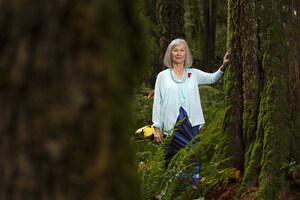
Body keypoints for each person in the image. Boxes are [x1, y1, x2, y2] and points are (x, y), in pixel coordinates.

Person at [152, 38, 229, 167]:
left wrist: (223, 66)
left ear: (186, 54)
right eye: (175, 50)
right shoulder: (162, 76)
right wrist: (156, 127)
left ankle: (193, 184)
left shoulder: (193, 74)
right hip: (171, 125)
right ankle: (173, 185)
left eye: (182, 50)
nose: (179, 53)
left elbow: (211, 78)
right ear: (170, 53)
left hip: (190, 123)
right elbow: (157, 102)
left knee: (192, 157)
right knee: (171, 160)